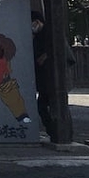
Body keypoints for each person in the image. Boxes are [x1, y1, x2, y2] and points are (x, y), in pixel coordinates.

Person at [32, 11, 56, 139]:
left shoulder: (49, 34)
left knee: (44, 106)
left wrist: (45, 56)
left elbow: (54, 49)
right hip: (43, 78)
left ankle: (54, 131)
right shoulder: (38, 35)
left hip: (50, 77)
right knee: (42, 106)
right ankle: (53, 131)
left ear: (37, 22)